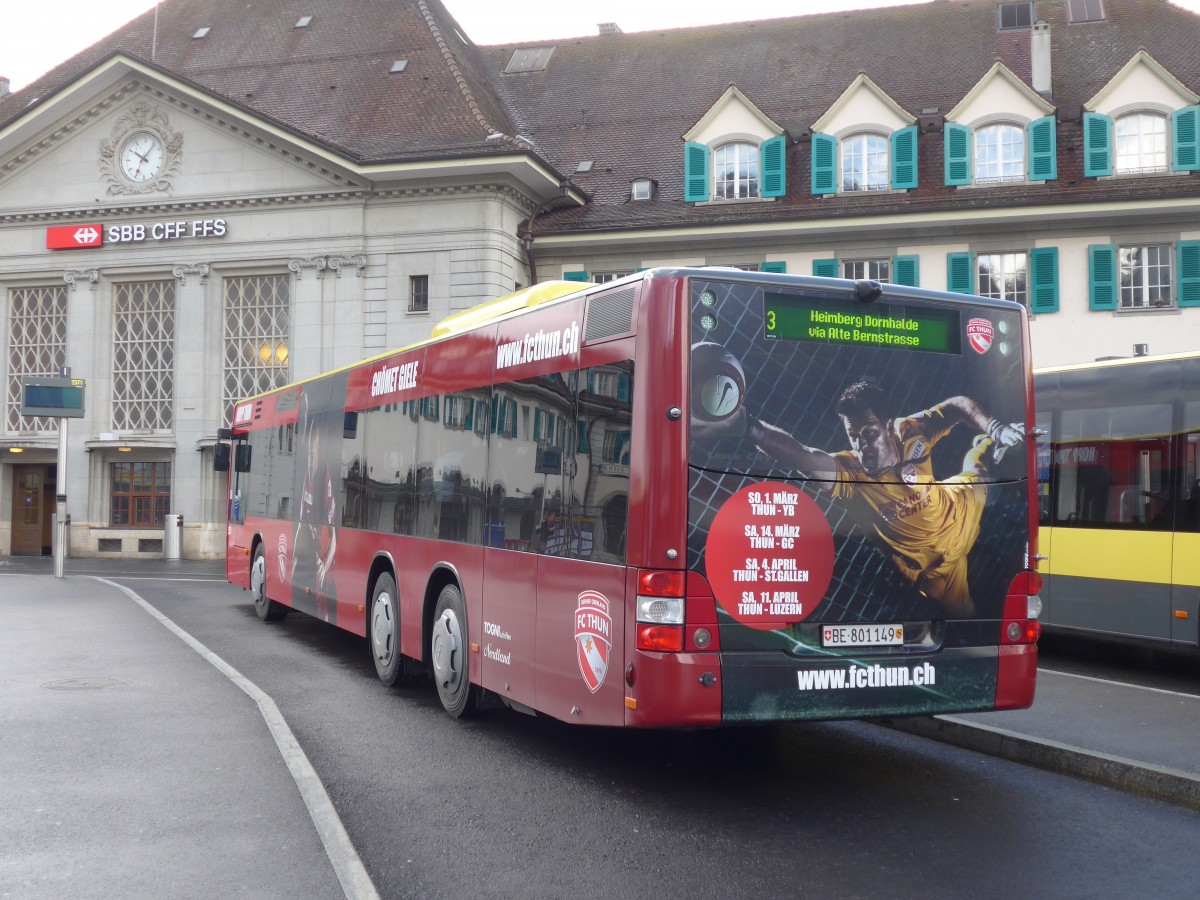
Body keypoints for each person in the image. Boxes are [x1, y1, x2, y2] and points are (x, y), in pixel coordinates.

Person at [731, 381, 1024, 615]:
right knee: (966, 614)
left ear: (887, 426)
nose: (862, 445)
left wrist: (994, 427)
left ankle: (989, 442)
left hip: (956, 507)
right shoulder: (849, 473)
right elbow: (803, 456)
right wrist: (750, 429)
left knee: (980, 469)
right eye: (853, 435)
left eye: (869, 432)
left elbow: (958, 406)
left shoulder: (910, 431)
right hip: (935, 567)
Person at [292, 415, 338, 623]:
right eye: (310, 448)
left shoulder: (324, 475)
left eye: (316, 449)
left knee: (325, 606)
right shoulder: (306, 477)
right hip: (314, 556)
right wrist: (293, 557)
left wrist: (325, 565)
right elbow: (302, 521)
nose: (312, 452)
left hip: (325, 561)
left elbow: (334, 534)